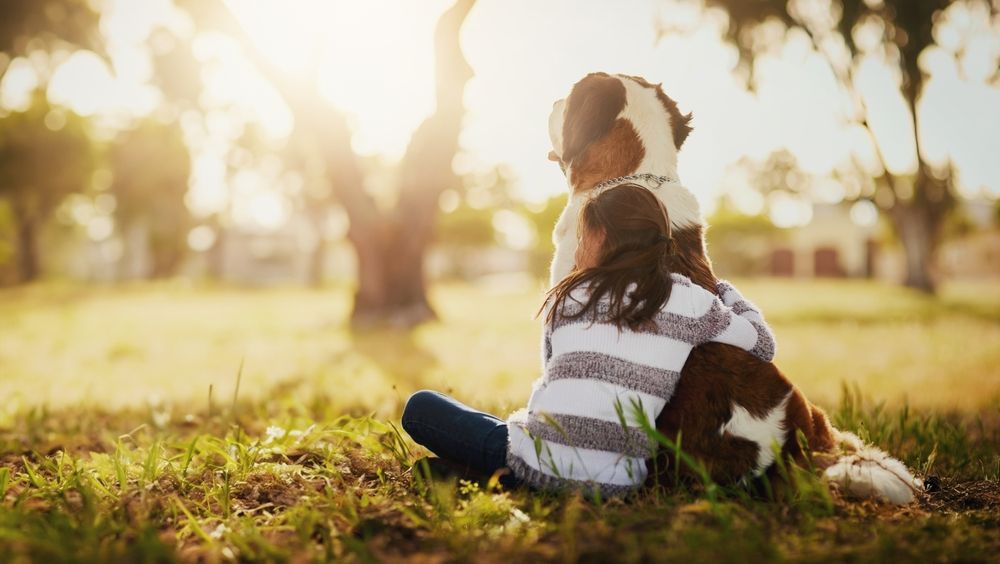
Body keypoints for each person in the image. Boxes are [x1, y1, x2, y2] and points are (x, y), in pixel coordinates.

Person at [402, 183, 776, 497]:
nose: (577, 251)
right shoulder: (691, 301)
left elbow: (551, 380)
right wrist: (724, 291)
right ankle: (489, 477)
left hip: (538, 461)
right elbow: (762, 343)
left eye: (580, 237)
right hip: (618, 484)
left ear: (602, 236)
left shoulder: (571, 294)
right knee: (484, 449)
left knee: (421, 407)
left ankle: (506, 478)